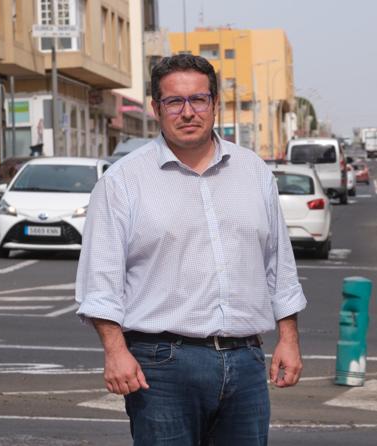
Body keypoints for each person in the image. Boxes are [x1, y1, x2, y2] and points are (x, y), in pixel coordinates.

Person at [75, 54, 307, 446]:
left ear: (215, 104)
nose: (188, 112)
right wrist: (115, 352)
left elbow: (278, 264)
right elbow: (100, 279)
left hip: (246, 361)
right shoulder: (122, 182)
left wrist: (289, 338)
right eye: (174, 102)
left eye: (198, 100)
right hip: (162, 367)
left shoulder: (253, 172)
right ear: (155, 108)